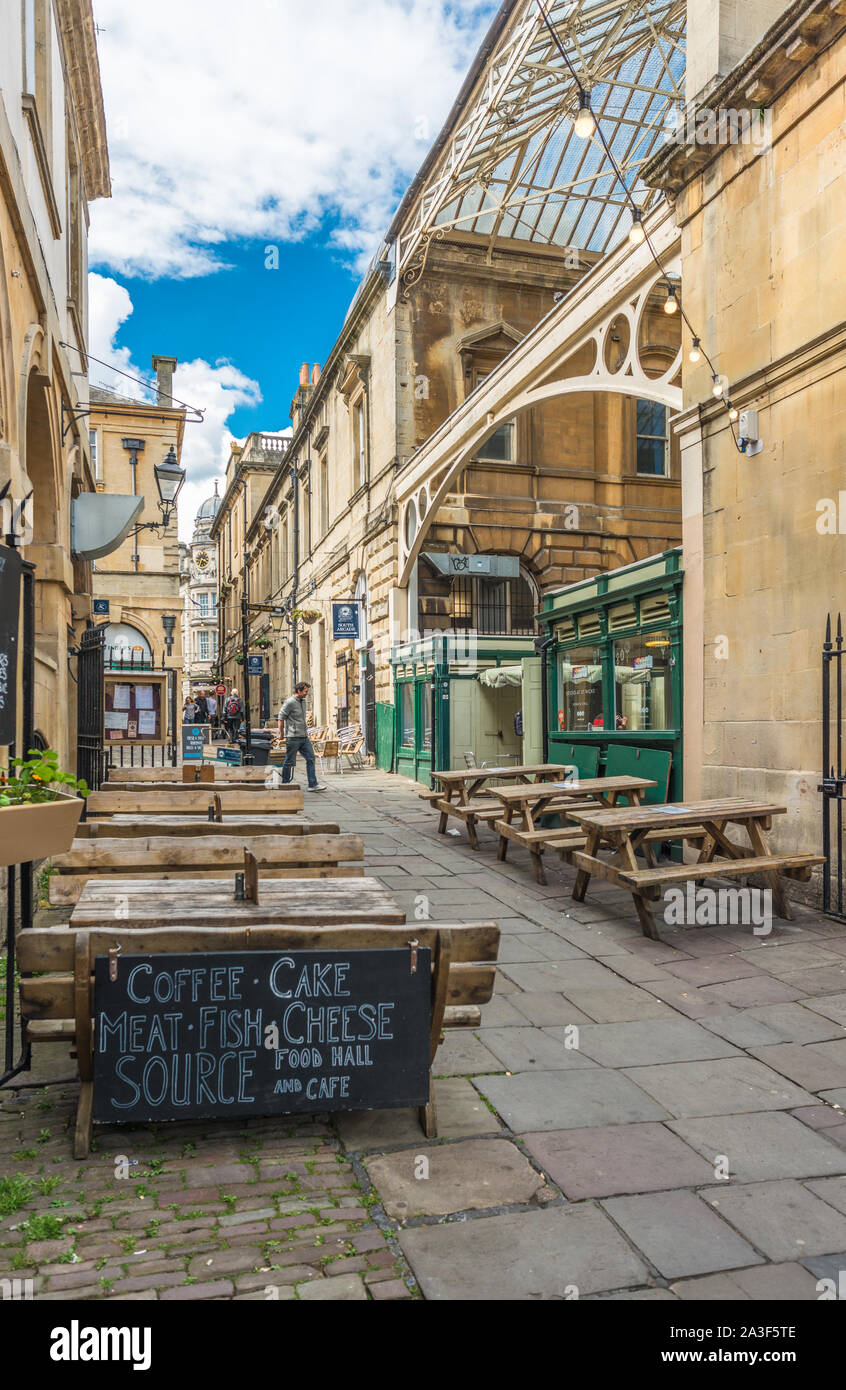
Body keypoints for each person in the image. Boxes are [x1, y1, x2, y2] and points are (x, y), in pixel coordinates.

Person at [278, 682, 327, 791]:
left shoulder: (303, 702)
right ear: (299, 691)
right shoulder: (289, 702)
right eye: (305, 691)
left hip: (304, 737)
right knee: (289, 761)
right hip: (293, 737)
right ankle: (285, 784)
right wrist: (281, 733)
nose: (306, 693)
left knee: (311, 758)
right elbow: (281, 717)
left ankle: (312, 784)